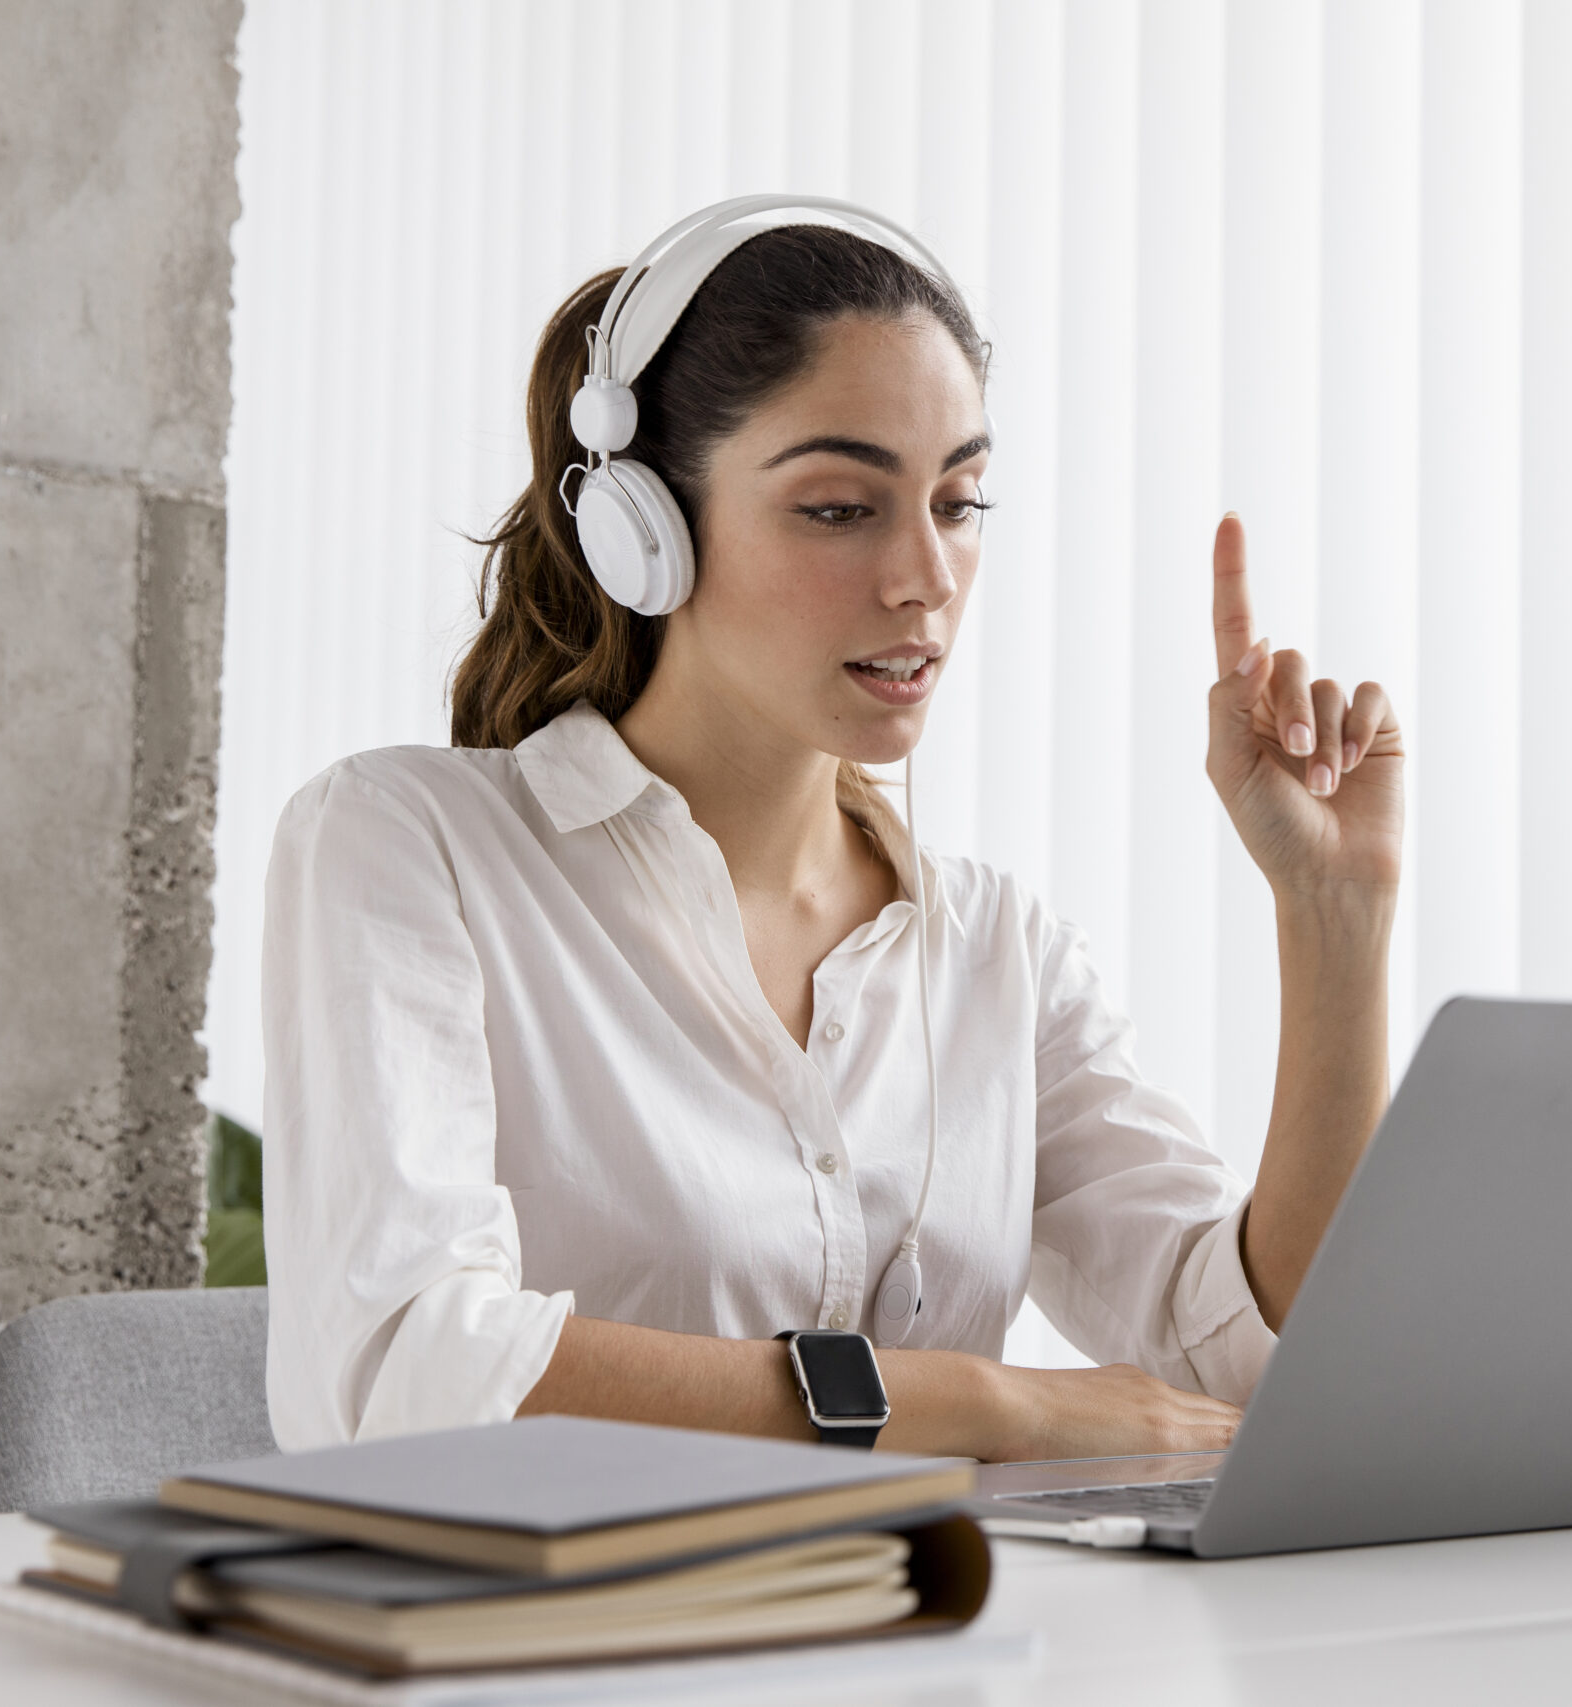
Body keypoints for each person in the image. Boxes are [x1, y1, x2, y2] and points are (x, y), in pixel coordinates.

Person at [262, 211, 1402, 1462]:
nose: (928, 575)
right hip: (563, 1644)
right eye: (841, 507)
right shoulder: (408, 847)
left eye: (960, 502)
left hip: (935, 1636)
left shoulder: (992, 953)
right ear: (641, 529)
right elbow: (403, 1371)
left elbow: (1252, 1353)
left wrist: (1332, 916)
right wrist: (984, 1403)